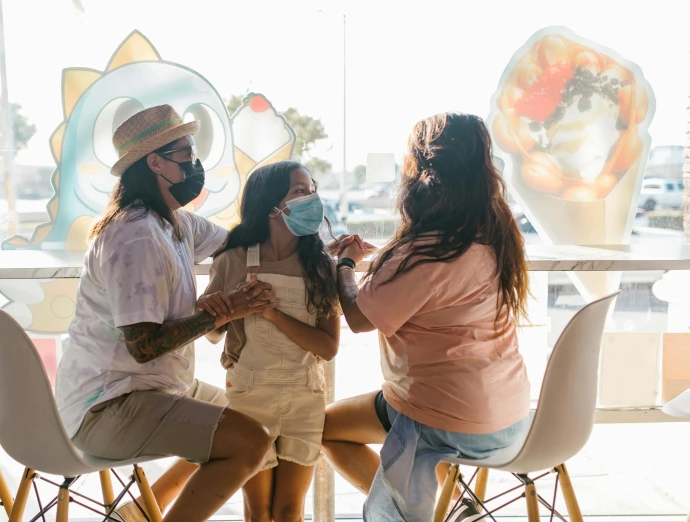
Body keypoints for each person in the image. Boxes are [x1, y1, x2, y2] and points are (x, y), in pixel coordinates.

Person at [53, 104, 275, 522]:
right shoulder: (135, 237)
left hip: (151, 388)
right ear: (156, 162)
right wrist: (221, 314)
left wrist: (317, 247)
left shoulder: (175, 222)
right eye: (187, 153)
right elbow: (144, 345)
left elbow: (239, 243)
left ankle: (135, 514)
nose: (196, 163)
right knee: (247, 442)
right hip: (107, 406)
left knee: (251, 418)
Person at [322, 113, 532, 521]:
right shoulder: (498, 233)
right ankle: (449, 508)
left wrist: (345, 264)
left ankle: (443, 510)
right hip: (511, 419)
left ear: (419, 169)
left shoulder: (426, 252)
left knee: (323, 428)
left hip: (445, 420)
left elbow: (360, 318)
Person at [200, 161, 341, 522]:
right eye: (300, 191)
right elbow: (213, 334)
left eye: (312, 190)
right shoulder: (232, 260)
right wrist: (226, 306)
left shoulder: (321, 266)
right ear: (270, 204)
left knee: (289, 510)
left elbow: (327, 347)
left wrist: (272, 312)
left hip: (305, 395)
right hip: (249, 395)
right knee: (258, 510)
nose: (312, 199)